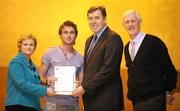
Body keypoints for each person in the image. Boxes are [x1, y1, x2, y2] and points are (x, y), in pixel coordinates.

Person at [122, 9, 177, 111]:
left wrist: (167, 92)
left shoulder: (154, 43)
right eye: (127, 22)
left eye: (133, 21)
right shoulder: (126, 48)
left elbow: (170, 70)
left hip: (154, 102)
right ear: (124, 25)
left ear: (140, 22)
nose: (130, 25)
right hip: (136, 102)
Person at [71, 6, 124, 111]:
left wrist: (84, 88)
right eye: (90, 18)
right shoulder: (89, 40)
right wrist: (81, 83)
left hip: (107, 100)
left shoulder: (113, 38)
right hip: (91, 100)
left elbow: (108, 70)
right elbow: (90, 70)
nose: (93, 21)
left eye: (97, 18)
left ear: (105, 19)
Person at [39, 20, 83, 111]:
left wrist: (77, 85)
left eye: (72, 32)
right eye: (65, 32)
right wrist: (47, 81)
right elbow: (39, 76)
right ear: (60, 35)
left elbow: (81, 83)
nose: (69, 35)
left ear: (76, 35)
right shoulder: (50, 53)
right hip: (52, 103)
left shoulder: (80, 58)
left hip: (73, 104)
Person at [5, 33, 55, 111]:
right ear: (20, 47)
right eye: (25, 44)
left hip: (32, 105)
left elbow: (36, 82)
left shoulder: (32, 65)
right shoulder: (16, 63)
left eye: (31, 45)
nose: (28, 47)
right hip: (18, 106)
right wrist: (45, 90)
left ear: (34, 48)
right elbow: (23, 84)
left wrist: (47, 81)